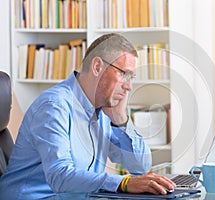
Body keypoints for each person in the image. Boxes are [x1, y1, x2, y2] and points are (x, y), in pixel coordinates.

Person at [0, 33, 176, 199]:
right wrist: (123, 183)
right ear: (97, 67)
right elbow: (60, 176)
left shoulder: (104, 111)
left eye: (131, 77)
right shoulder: (54, 106)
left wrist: (120, 120)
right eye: (123, 74)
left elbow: (140, 167)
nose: (129, 86)